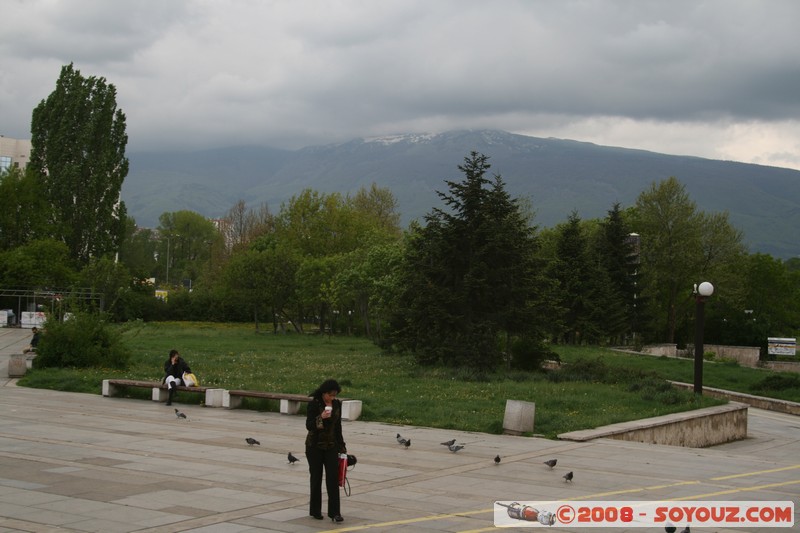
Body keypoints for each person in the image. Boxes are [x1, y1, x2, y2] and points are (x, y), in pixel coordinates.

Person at [305, 379, 346, 522]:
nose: (332, 398)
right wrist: (320, 418)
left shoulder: (336, 404)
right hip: (314, 446)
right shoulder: (314, 404)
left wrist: (342, 446)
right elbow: (309, 425)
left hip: (331, 446)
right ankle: (315, 510)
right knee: (316, 478)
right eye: (330, 395)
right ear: (324, 393)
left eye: (334, 395)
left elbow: (338, 427)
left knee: (333, 479)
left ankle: (335, 513)